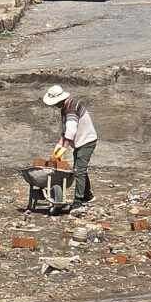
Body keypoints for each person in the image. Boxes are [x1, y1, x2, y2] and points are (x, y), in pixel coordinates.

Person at [43, 84, 98, 212]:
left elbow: (70, 132)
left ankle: (78, 201)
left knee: (79, 170)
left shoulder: (71, 108)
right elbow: (64, 133)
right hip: (80, 141)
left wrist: (61, 152)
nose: (54, 106)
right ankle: (87, 196)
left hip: (87, 141)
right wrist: (56, 152)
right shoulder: (66, 107)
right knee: (80, 168)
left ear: (60, 100)